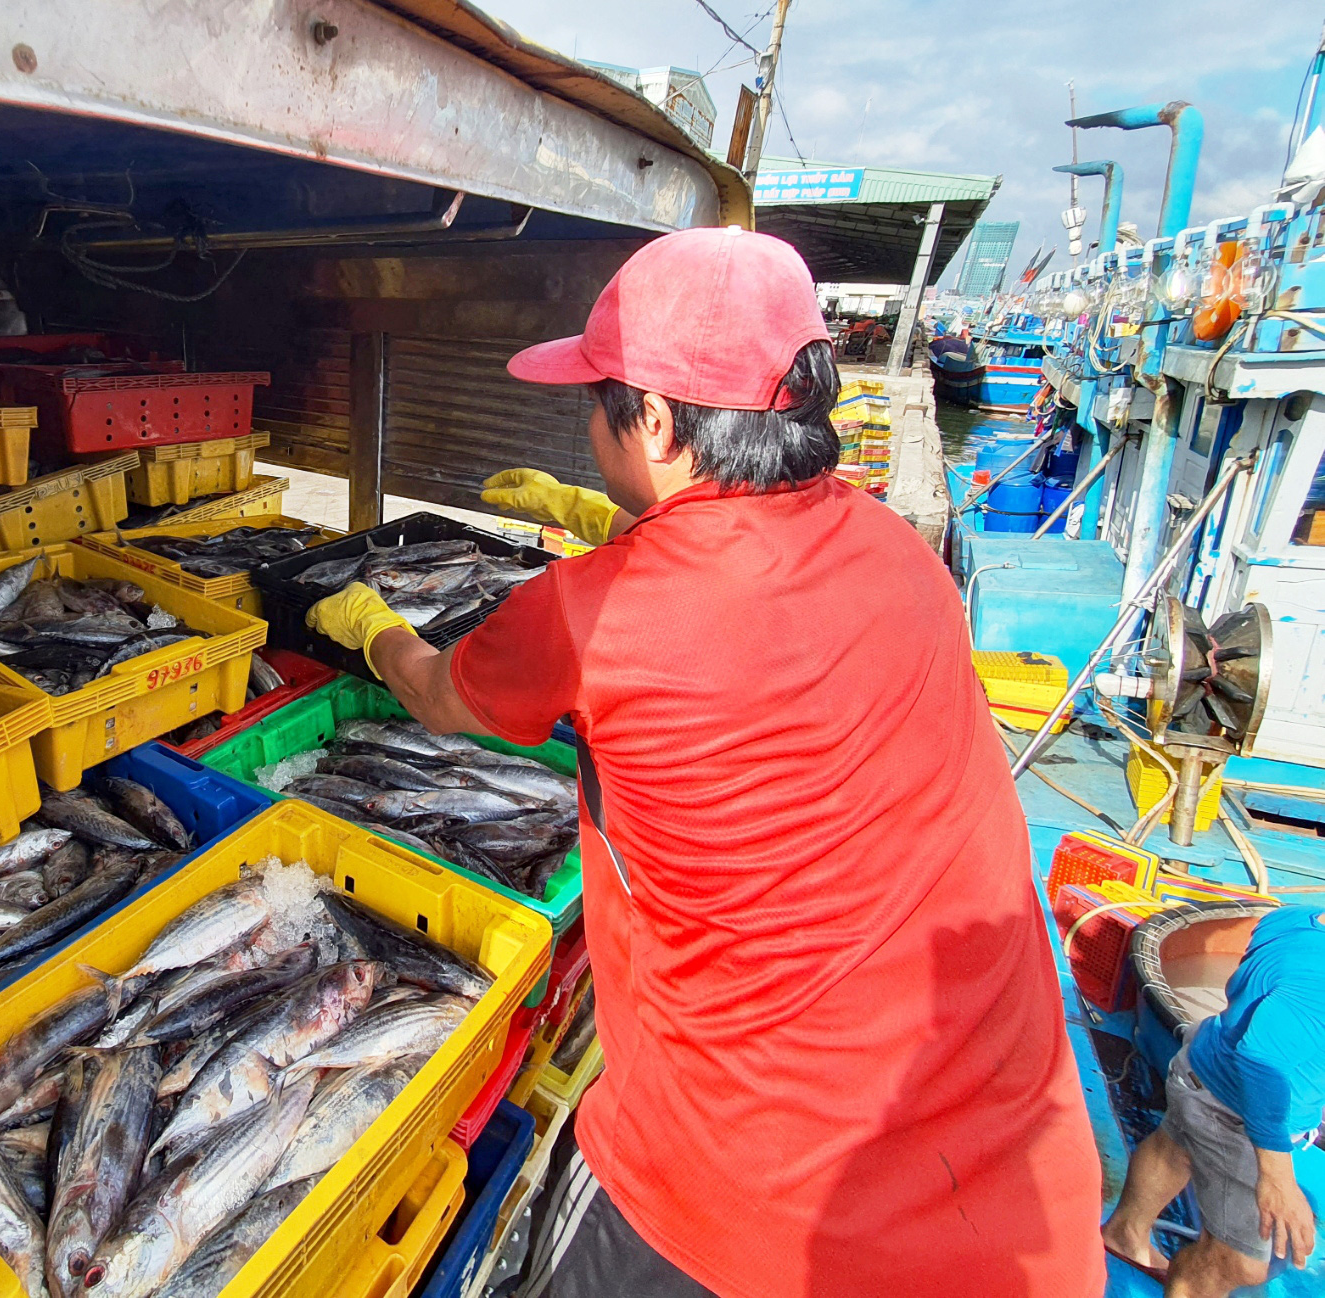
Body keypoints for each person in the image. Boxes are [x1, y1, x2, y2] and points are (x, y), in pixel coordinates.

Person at [303, 227, 1106, 1297]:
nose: (585, 420)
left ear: (657, 420)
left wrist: (369, 628)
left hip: (747, 1211)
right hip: (1011, 1203)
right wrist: (602, 516)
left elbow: (440, 695)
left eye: (595, 400)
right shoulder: (901, 556)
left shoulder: (593, 614)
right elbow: (746, 599)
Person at [1103, 905, 1325, 1295]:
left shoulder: (1297, 918)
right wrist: (1277, 1179)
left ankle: (1125, 1233)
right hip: (1238, 1114)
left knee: (1174, 1145)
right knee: (1243, 1262)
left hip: (1200, 1064)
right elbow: (1259, 1062)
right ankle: (1189, 1284)